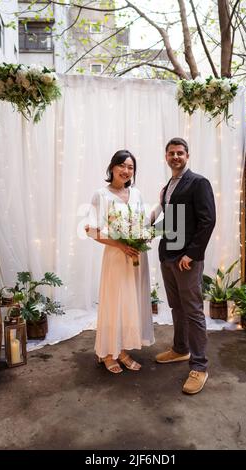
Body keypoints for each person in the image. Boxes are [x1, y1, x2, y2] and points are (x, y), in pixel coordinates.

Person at [155, 137, 216, 394]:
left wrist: (191, 254)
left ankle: (199, 367)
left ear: (187, 156)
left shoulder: (199, 182)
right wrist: (144, 231)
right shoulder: (168, 186)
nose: (175, 157)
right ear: (166, 157)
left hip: (186, 260)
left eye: (180, 153)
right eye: (171, 153)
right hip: (168, 256)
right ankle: (180, 349)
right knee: (176, 307)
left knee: (192, 311)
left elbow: (208, 221)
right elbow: (171, 221)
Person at [86, 150, 155, 374]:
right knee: (114, 303)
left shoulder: (136, 194)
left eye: (131, 167)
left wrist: (144, 236)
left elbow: (143, 224)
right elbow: (91, 230)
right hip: (116, 258)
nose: (126, 171)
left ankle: (123, 350)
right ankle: (106, 353)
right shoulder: (101, 195)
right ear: (112, 167)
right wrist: (120, 244)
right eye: (122, 166)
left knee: (130, 304)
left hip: (136, 257)